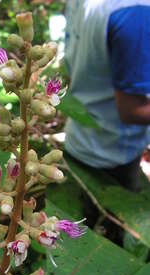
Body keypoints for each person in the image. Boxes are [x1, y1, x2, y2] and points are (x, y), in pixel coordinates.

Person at [64, 0, 150, 191]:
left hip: (77, 140)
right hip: (113, 156)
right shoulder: (135, 13)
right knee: (106, 219)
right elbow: (131, 111)